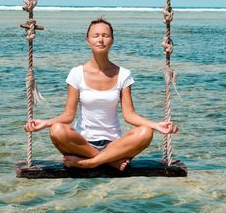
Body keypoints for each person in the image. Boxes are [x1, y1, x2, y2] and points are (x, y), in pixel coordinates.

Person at [24, 18, 178, 171]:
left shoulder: (123, 74)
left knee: (145, 132)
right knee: (57, 130)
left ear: (112, 40)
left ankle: (91, 162)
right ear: (88, 40)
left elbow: (130, 115)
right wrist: (45, 123)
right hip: (82, 144)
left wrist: (156, 125)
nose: (100, 40)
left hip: (114, 145)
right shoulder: (76, 73)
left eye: (105, 35)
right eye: (95, 35)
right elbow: (68, 115)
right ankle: (108, 161)